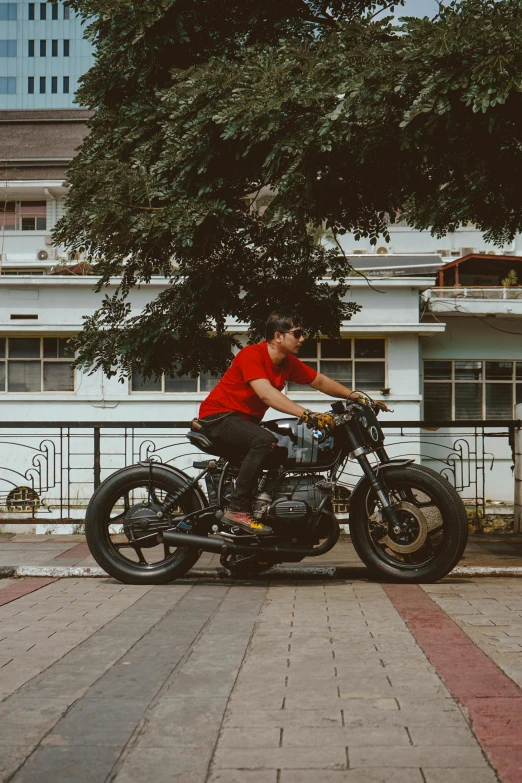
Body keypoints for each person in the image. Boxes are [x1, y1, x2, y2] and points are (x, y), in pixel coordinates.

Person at [196, 310, 388, 535]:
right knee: (263, 439)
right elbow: (267, 394)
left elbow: (320, 381)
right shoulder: (252, 355)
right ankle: (237, 510)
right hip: (218, 417)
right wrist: (306, 414)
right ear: (278, 336)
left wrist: (355, 396)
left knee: (280, 451)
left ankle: (264, 510)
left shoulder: (287, 363)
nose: (302, 338)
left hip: (242, 421)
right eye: (297, 333)